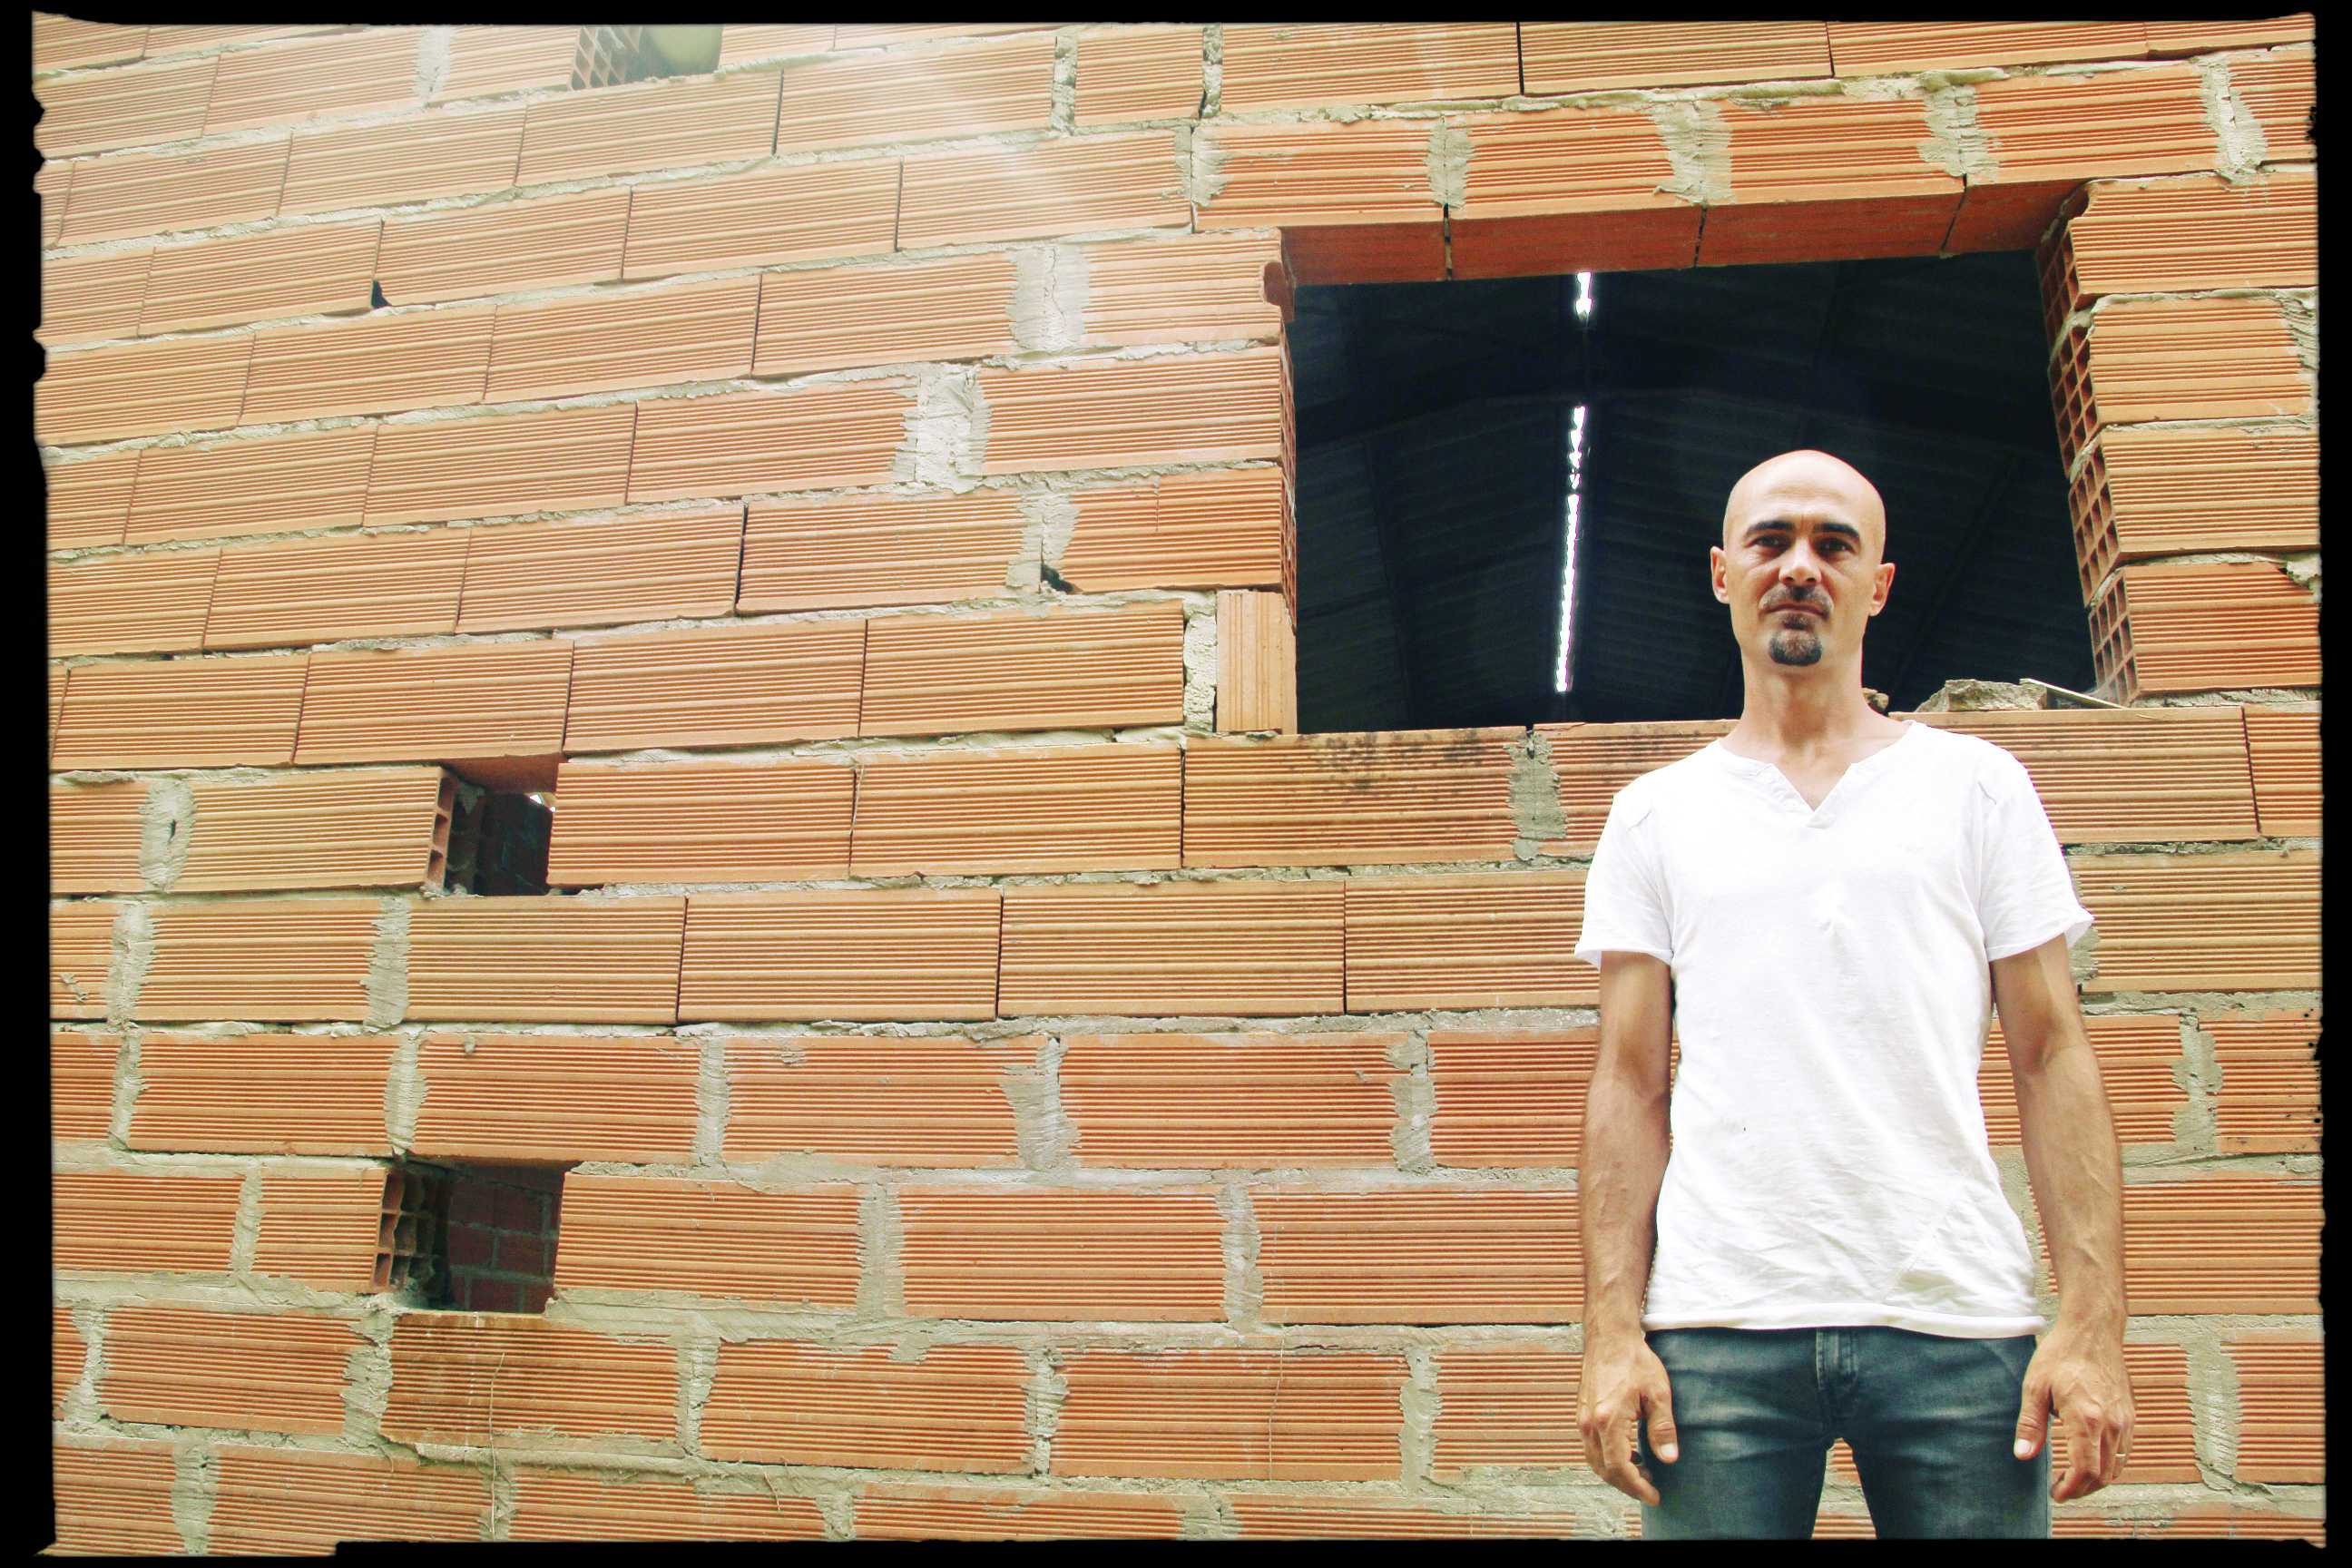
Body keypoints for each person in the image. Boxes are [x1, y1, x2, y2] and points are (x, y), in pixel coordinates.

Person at [1570, 449, 2134, 1538]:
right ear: (1723, 574)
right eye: (1771, 541)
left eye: (1834, 546)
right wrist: (1610, 1334)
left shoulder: (1976, 789)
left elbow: (2053, 1053)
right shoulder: (1655, 815)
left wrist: (2093, 1325)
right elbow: (1629, 1084)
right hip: (1715, 1333)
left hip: (1956, 1327)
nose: (1800, 567)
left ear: (1878, 585)